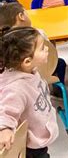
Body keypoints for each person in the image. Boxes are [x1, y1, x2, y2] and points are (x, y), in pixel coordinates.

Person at [0, 27, 58, 158]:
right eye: (43, 48)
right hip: (31, 149)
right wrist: (5, 129)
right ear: (27, 61)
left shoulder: (29, 71)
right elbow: (6, 111)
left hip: (38, 138)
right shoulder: (16, 88)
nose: (47, 49)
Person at [0, 3, 67, 89]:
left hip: (14, 81)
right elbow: (52, 52)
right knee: (61, 63)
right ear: (21, 16)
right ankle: (58, 90)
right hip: (42, 72)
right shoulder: (38, 34)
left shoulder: (3, 41)